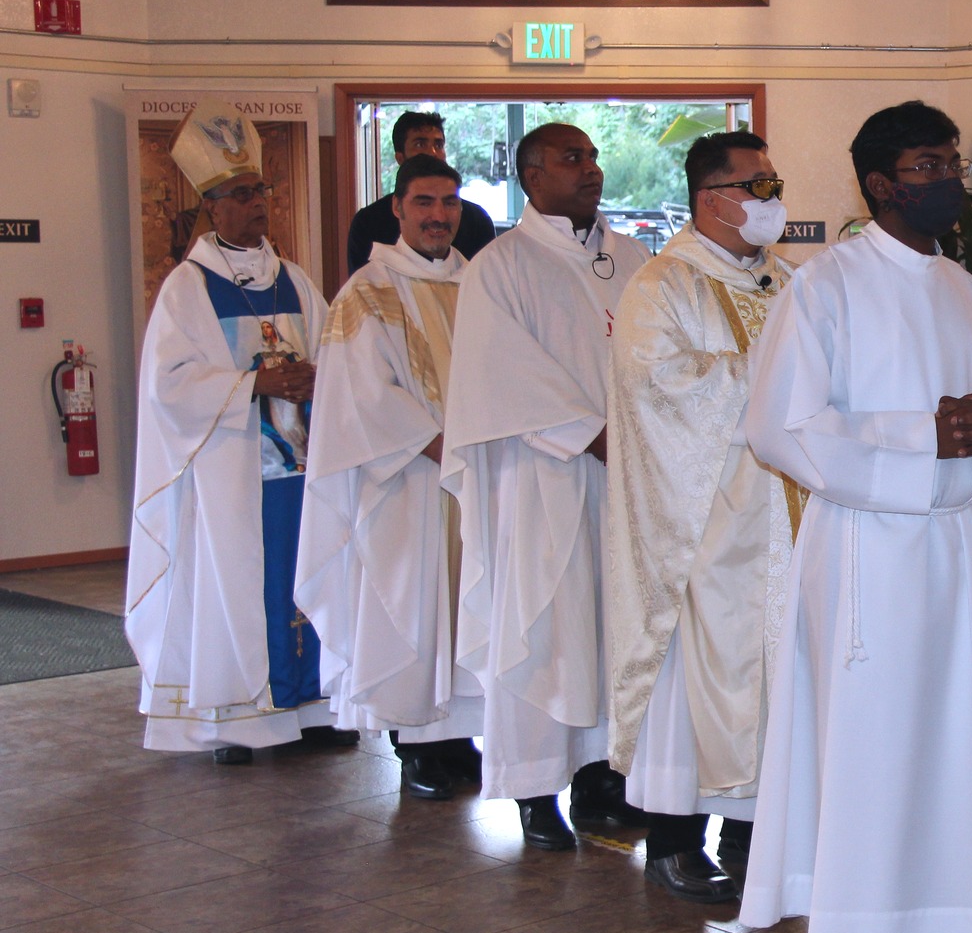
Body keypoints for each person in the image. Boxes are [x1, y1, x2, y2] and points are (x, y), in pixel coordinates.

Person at [739, 101, 972, 933]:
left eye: (952, 159)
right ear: (878, 184)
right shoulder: (824, 287)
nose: (948, 177)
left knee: (942, 743)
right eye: (925, 163)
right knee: (868, 747)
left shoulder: (964, 290)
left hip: (950, 544)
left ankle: (920, 931)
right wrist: (921, 435)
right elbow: (779, 425)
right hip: (867, 546)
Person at [604, 130, 801, 904]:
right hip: (704, 524)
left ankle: (754, 838)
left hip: (783, 520)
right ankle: (675, 840)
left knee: (780, 676)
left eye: (773, 180)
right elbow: (659, 386)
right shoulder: (664, 285)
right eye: (757, 184)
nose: (771, 197)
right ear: (711, 199)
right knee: (695, 675)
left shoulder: (785, 281)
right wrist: (770, 374)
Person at [441, 122, 650, 849]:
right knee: (546, 625)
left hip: (627, 478)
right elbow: (504, 373)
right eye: (571, 158)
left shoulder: (632, 259)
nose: (590, 169)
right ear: (532, 177)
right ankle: (533, 789)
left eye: (593, 156)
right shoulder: (500, 266)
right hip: (544, 478)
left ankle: (602, 778)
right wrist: (593, 435)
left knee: (612, 629)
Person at [127, 98, 354, 762]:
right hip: (231, 477)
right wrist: (257, 382)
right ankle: (236, 718)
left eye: (261, 191)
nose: (258, 203)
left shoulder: (296, 279)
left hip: (300, 469)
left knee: (306, 576)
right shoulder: (187, 288)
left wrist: (317, 373)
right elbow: (169, 386)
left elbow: (335, 351)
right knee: (235, 589)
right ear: (213, 207)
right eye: (242, 194)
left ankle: (310, 707)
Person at [297, 154, 483, 801]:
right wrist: (439, 444)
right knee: (414, 603)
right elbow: (360, 395)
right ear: (398, 208)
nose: (439, 214)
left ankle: (459, 734)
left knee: (467, 605)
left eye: (449, 201)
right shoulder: (367, 292)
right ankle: (415, 744)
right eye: (425, 201)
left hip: (476, 479)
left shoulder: (482, 284)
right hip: (406, 480)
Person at [345, 110, 496, 274]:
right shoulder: (369, 221)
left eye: (438, 145)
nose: (432, 153)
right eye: (420, 144)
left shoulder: (476, 220)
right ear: (400, 157)